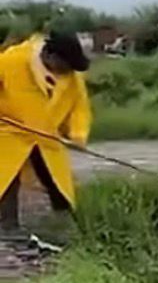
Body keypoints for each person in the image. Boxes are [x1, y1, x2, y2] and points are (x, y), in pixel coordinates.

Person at [0, 30, 92, 235]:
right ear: (50, 56)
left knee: (56, 181)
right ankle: (8, 227)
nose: (68, 71)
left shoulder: (72, 77)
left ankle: (67, 226)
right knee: (6, 177)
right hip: (11, 132)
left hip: (47, 136)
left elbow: (80, 107)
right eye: (65, 66)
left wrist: (78, 135)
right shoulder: (12, 61)